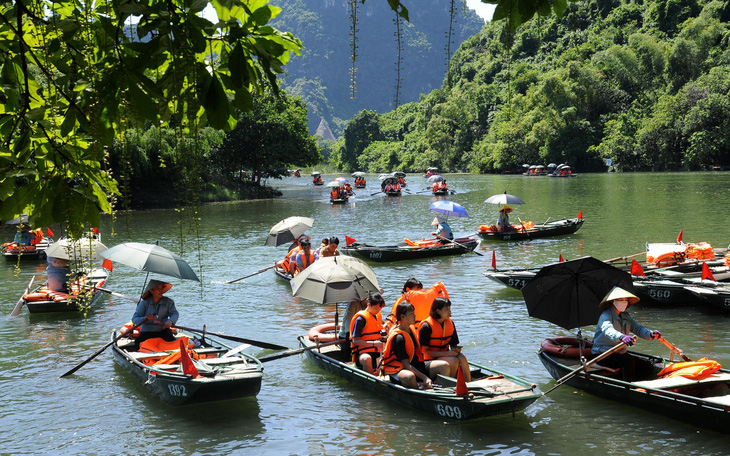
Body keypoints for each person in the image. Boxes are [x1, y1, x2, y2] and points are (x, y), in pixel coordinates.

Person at [592, 286, 661, 381]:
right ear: (613, 301)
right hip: (603, 354)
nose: (624, 302)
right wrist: (621, 337)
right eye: (621, 300)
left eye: (626, 300)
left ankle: (628, 380)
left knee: (647, 367)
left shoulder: (626, 316)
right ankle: (628, 385)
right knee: (628, 361)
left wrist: (650, 334)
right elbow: (608, 330)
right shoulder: (605, 316)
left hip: (620, 354)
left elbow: (638, 328)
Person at [382, 303, 450, 389]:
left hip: (416, 366)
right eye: (411, 313)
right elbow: (406, 364)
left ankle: (434, 389)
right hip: (399, 369)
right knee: (409, 377)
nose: (415, 315)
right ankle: (420, 391)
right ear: (402, 317)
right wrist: (424, 377)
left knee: (444, 366)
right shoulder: (399, 337)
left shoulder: (411, 330)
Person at [419, 297, 471, 381]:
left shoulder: (450, 323)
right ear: (438, 311)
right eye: (447, 309)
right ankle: (449, 385)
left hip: (443, 356)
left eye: (450, 309)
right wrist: (446, 354)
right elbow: (424, 352)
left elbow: (453, 345)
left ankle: (468, 384)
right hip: (427, 361)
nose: (450, 312)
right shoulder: (426, 327)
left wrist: (456, 350)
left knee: (462, 357)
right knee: (453, 360)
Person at [132, 279, 179, 351]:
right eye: (158, 289)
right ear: (151, 291)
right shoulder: (144, 303)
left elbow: (174, 313)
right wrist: (145, 318)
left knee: (173, 345)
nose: (161, 291)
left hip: (163, 331)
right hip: (147, 332)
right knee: (138, 344)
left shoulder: (168, 302)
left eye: (161, 289)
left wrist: (171, 321)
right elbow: (135, 319)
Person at [350, 293, 386, 374]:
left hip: (378, 352)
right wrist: (374, 343)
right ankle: (371, 379)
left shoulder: (377, 315)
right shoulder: (360, 319)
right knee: (367, 358)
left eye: (380, 308)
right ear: (369, 305)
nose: (378, 310)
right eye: (376, 308)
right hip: (363, 354)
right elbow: (355, 341)